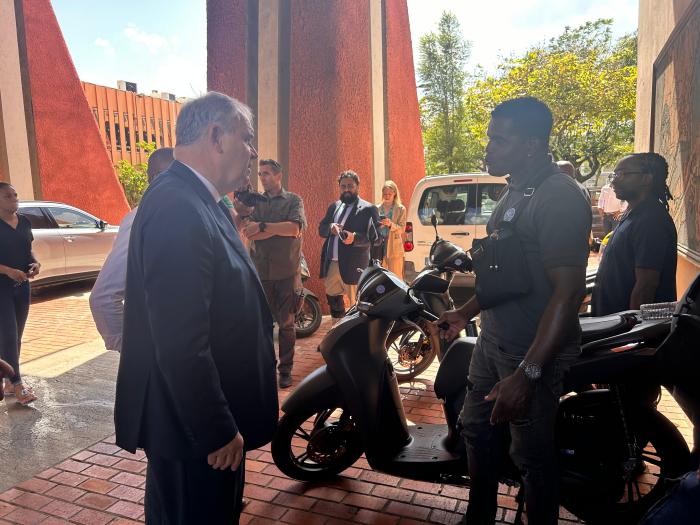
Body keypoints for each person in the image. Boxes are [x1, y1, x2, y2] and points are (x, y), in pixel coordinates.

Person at [114, 92, 278, 524]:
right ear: (217, 136)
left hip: (199, 429)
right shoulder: (177, 206)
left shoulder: (200, 199)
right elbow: (181, 340)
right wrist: (216, 428)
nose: (253, 152)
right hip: (196, 435)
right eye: (247, 139)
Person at [436, 97, 591, 525]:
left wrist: (528, 374)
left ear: (531, 145)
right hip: (493, 341)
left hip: (529, 351)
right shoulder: (513, 190)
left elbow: (569, 291)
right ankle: (479, 517)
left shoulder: (557, 196)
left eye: (498, 140)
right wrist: (465, 313)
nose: (488, 148)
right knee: (476, 431)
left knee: (531, 458)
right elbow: (504, 275)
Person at [90, 148, 174, 353]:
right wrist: (131, 349)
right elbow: (103, 297)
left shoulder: (178, 213)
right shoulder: (143, 218)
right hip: (160, 352)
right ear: (156, 178)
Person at [244, 159, 306, 389]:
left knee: (287, 324)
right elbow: (250, 234)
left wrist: (263, 226)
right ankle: (267, 367)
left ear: (279, 176)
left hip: (287, 273)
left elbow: (294, 229)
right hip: (261, 274)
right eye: (260, 174)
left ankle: (285, 370)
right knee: (263, 326)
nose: (262, 178)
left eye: (267, 174)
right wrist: (272, 228)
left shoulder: (293, 200)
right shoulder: (255, 204)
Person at [591, 153, 677, 316]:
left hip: (627, 330)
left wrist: (631, 333)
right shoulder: (633, 213)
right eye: (614, 174)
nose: (615, 180)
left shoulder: (651, 220)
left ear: (647, 179)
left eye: (623, 174)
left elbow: (646, 286)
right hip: (612, 321)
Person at [319, 170, 380, 321]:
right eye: (343, 186)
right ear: (339, 187)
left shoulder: (369, 209)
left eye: (350, 186)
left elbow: (377, 238)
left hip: (355, 265)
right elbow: (321, 228)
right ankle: (338, 330)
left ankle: (358, 336)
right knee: (334, 301)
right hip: (332, 263)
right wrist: (330, 227)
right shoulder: (334, 207)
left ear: (357, 186)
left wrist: (355, 238)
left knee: (358, 306)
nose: (346, 189)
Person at [0, 182, 41, 406]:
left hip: (22, 286)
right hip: (1, 287)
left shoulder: (25, 221)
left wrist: (35, 263)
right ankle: (18, 385)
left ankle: (7, 381)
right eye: (8, 196)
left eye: (15, 195)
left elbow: (28, 249)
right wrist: (8, 271)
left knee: (16, 337)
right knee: (8, 335)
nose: (14, 198)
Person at [375, 180, 407, 280]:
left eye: (389, 194)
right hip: (379, 246)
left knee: (396, 277)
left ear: (395, 193)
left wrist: (390, 225)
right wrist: (378, 226)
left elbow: (402, 228)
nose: (387, 196)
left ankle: (399, 296)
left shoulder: (401, 209)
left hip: (394, 247)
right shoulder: (376, 208)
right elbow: (372, 227)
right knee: (381, 278)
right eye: (385, 194)